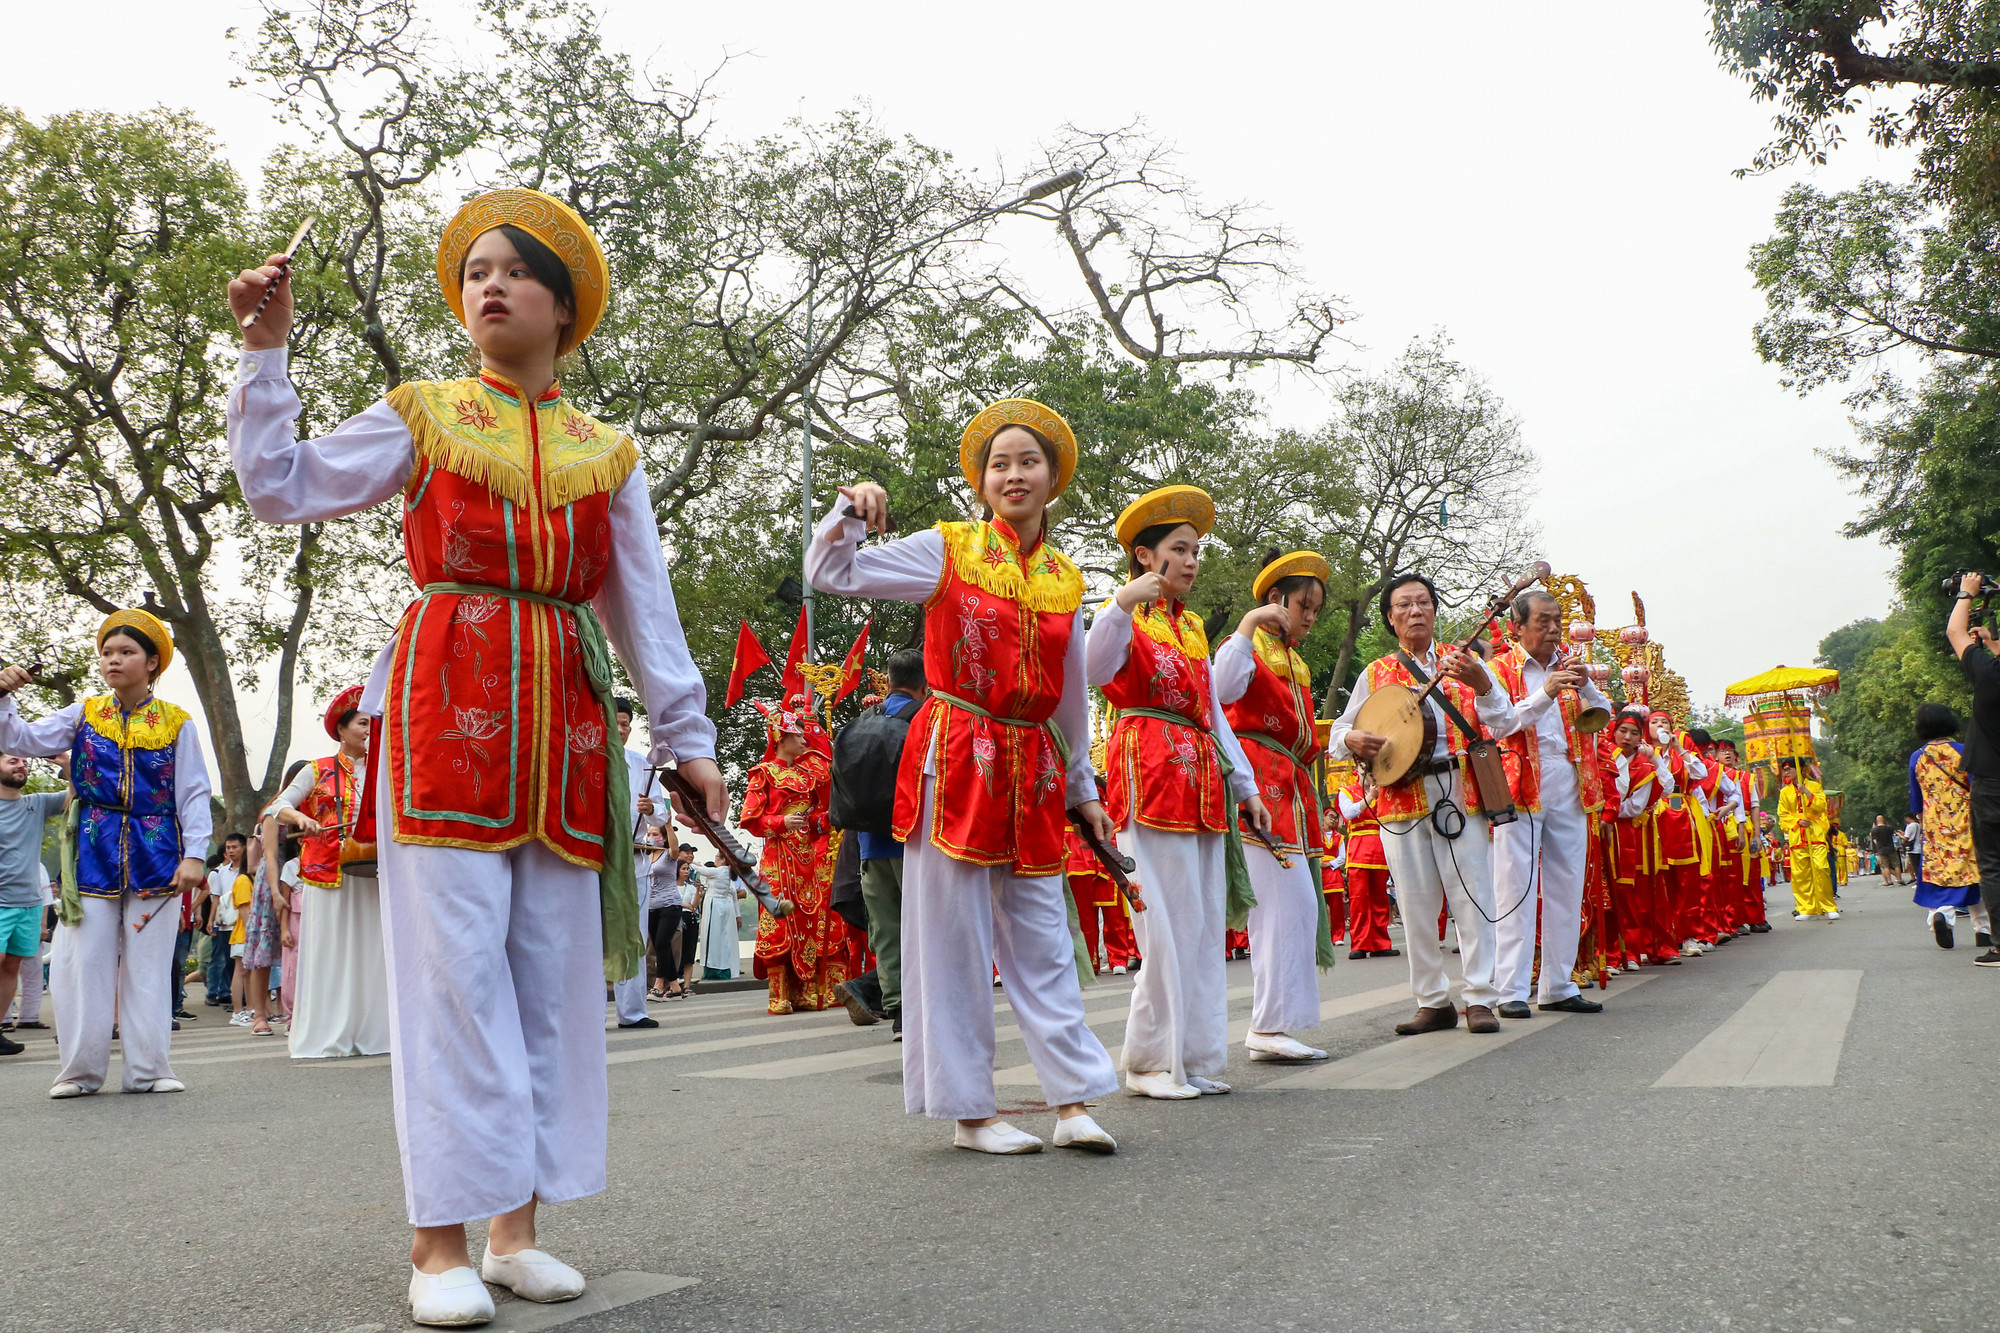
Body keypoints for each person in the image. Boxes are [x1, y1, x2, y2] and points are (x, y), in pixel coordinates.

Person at [228, 187, 722, 1324]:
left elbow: (643, 609)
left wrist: (687, 744)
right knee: (453, 978)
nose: (486, 286)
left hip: (567, 722)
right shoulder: (425, 413)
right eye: (471, 274)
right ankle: (436, 1243)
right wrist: (265, 357)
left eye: (511, 272)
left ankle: (515, 1233)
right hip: (445, 705)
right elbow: (278, 488)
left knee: (548, 981)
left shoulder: (611, 453)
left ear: (561, 305)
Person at [806, 398, 1120, 1155]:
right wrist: (851, 508)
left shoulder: (1067, 579)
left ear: (1053, 479)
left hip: (1035, 769)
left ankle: (1072, 1099)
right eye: (999, 464)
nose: (1014, 474)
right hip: (955, 758)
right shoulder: (946, 549)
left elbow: (1072, 695)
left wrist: (1085, 789)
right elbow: (830, 572)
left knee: (1044, 936)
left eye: (1028, 461)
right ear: (981, 481)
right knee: (951, 940)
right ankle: (971, 1112)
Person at [1086, 485, 1264, 1098]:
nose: (1191, 561)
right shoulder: (1124, 617)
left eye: (1196, 551)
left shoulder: (1190, 627)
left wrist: (1246, 786)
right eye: (1179, 550)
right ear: (1144, 556)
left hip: (1203, 786)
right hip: (1150, 776)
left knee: (1199, 923)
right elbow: (1091, 669)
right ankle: (1148, 1064)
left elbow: (1212, 710)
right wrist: (1117, 604)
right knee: (1162, 927)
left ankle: (1191, 1059)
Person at [0, 610, 212, 1097]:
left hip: (158, 849)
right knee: (83, 964)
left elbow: (194, 793)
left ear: (152, 662)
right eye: (107, 652)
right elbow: (21, 739)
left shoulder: (177, 723)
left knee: (150, 966)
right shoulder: (84, 713)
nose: (112, 660)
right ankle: (79, 1072)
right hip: (92, 847)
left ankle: (149, 1070)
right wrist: (5, 694)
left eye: (126, 652)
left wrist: (195, 854)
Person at [1328, 573, 1519, 1035]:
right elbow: (1337, 735)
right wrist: (1352, 737)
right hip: (1399, 797)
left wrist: (1485, 685)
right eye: (1404, 606)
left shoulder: (1467, 663)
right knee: (1415, 903)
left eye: (1423, 603)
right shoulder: (1375, 673)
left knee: (1471, 897)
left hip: (1459, 788)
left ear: (1435, 611)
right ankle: (1433, 1001)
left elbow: (1506, 719)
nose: (1415, 611)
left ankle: (1479, 998)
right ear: (1391, 619)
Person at [1216, 550, 1338, 1059]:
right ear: (1274, 600)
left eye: (1316, 608)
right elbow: (1219, 688)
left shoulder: (1299, 662)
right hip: (1257, 782)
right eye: (1302, 605)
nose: (1310, 616)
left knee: (1299, 906)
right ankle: (1266, 1028)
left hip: (1290, 784)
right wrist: (1246, 629)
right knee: (1281, 907)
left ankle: (1274, 1025)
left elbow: (1307, 738)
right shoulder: (1245, 645)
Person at [1484, 589, 1613, 1017]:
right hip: (1520, 780)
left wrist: (1586, 681)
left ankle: (1558, 985)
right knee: (1515, 886)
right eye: (1544, 620)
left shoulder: (1569, 667)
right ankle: (1511, 990)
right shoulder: (1499, 668)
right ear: (1518, 627)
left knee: (1567, 884)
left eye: (1558, 620)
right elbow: (1500, 723)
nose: (1555, 629)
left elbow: (1605, 713)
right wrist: (1545, 693)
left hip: (1571, 778)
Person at [268, 691, 393, 1060]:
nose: (370, 729)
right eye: (362, 722)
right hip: (326, 871)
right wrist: (302, 818)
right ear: (341, 729)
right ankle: (326, 1035)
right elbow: (278, 806)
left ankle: (374, 1034)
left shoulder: (384, 768)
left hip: (371, 868)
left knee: (371, 950)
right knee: (330, 950)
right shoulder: (317, 768)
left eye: (372, 723)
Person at [834, 648, 927, 1037]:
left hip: (870, 846)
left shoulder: (859, 722)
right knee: (924, 930)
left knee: (887, 933)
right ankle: (926, 1011)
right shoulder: (925, 720)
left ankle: (900, 1014)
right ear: (925, 683)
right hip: (914, 843)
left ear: (888, 681)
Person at [740, 703, 848, 1014]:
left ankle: (805, 990)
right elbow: (750, 819)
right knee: (779, 923)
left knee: (809, 919)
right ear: (780, 737)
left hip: (807, 857)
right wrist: (780, 823)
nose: (803, 739)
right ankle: (779, 993)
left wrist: (825, 820)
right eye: (796, 734)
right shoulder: (763, 775)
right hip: (779, 858)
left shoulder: (805, 775)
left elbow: (815, 815)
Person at [0, 752, 68, 1057]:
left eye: (23, 761)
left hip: (28, 903)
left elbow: (79, 793)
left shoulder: (36, 803)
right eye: (12, 760)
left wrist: (66, 763)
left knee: (10, 968)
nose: (21, 764)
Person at [1906, 703, 1991, 949]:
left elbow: (1916, 800)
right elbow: (1977, 788)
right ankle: (1983, 929)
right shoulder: (1964, 751)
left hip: (1934, 827)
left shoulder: (1917, 757)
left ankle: (1942, 914)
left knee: (1940, 875)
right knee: (1976, 873)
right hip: (1967, 822)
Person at [611, 698, 663, 1029]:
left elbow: (662, 811)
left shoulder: (642, 764)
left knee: (634, 936)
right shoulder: (582, 759)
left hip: (634, 862)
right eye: (615, 722)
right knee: (588, 936)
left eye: (626, 724)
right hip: (593, 863)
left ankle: (632, 1012)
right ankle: (583, 1015)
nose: (621, 729)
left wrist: (650, 810)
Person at [1334, 775, 1397, 959]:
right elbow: (1348, 813)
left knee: (1380, 899)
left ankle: (1380, 943)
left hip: (1379, 846)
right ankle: (1360, 943)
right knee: (1359, 899)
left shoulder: (1385, 790)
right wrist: (1370, 797)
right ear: (1358, 769)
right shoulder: (1346, 791)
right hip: (1358, 848)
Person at [1777, 759, 1838, 921]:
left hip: (1815, 833)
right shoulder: (1784, 793)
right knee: (1800, 874)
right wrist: (1797, 822)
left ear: (1800, 769)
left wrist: (1807, 793)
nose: (1786, 772)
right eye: (1784, 770)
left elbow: (1821, 807)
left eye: (1789, 769)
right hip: (1797, 836)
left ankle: (1828, 906)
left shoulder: (1814, 786)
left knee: (1821, 868)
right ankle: (1806, 908)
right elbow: (1782, 816)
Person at [203, 834, 245, 1008]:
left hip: (243, 921)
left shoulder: (250, 871)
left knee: (239, 961)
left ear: (243, 847)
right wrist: (211, 920)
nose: (231, 851)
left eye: (234, 847)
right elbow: (216, 899)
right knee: (223, 958)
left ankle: (236, 996)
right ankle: (218, 992)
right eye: (228, 848)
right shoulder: (220, 873)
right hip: (226, 923)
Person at [693, 857, 745, 980]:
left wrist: (689, 862)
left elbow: (700, 869)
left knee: (713, 937)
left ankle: (714, 970)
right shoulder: (727, 873)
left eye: (717, 857)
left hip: (715, 905)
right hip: (723, 906)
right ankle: (724, 968)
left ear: (722, 860)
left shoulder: (720, 871)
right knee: (723, 938)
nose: (715, 859)